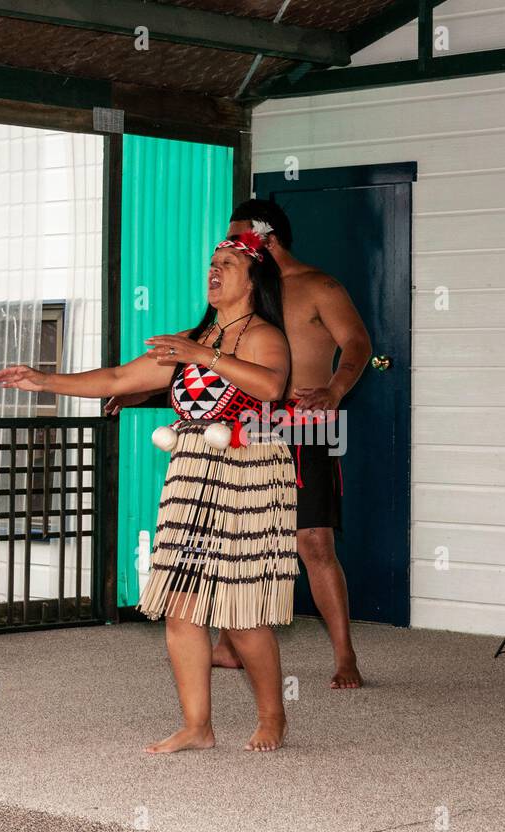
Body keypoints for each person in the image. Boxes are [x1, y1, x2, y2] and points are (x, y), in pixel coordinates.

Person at [0, 225, 298, 753]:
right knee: (181, 601)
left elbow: (271, 386)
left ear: (253, 278)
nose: (214, 269)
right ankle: (197, 725)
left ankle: (272, 716)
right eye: (212, 261)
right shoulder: (190, 341)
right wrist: (45, 381)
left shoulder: (263, 335)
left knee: (241, 609)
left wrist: (200, 356)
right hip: (192, 469)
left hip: (249, 473)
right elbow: (116, 379)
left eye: (226, 262)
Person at [112, 200, 373, 689]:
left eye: (238, 240)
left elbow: (358, 343)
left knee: (313, 542)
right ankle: (229, 646)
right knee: (229, 539)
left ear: (267, 238)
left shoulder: (319, 287)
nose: (227, 251)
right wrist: (140, 393)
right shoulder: (237, 300)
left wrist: (335, 390)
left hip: (301, 427)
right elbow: (206, 370)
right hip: (241, 430)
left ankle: (345, 656)